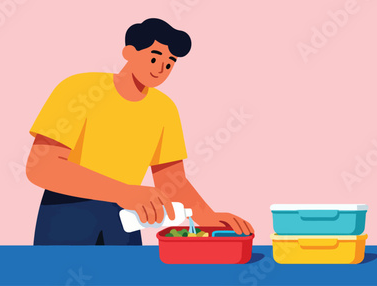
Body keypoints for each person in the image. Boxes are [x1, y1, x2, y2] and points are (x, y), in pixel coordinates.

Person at [26, 18, 254, 245]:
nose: (160, 68)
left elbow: (171, 180)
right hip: (67, 212)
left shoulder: (164, 109)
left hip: (125, 217)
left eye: (169, 63)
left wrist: (208, 218)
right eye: (154, 57)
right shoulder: (78, 89)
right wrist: (123, 193)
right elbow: (42, 167)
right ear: (129, 52)